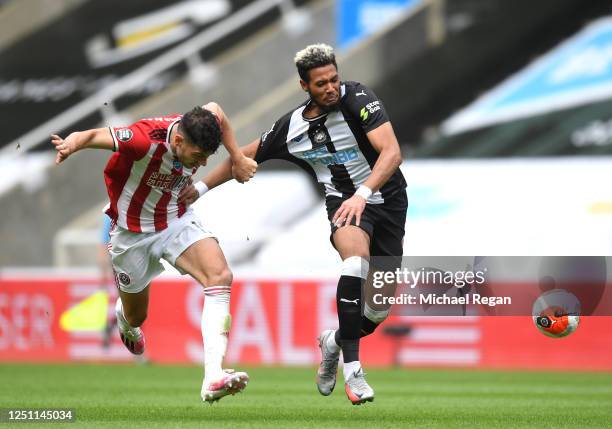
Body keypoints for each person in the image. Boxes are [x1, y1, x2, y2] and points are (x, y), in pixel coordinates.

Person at [179, 44, 407, 405]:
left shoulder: (359, 98)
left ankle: (332, 342)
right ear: (305, 86)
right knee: (355, 260)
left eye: (334, 79)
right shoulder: (293, 128)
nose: (331, 88)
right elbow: (244, 156)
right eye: (321, 84)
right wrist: (201, 188)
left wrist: (363, 193)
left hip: (388, 202)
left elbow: (392, 152)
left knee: (377, 310)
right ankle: (354, 371)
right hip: (344, 206)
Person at [51, 103, 258, 403]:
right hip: (130, 234)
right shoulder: (142, 139)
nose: (201, 162)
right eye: (199, 156)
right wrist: (71, 144)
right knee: (137, 316)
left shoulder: (200, 125)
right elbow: (93, 134)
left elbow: (219, 112)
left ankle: (213, 375)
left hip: (175, 218)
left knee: (220, 276)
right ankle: (124, 318)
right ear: (177, 142)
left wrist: (236, 156)